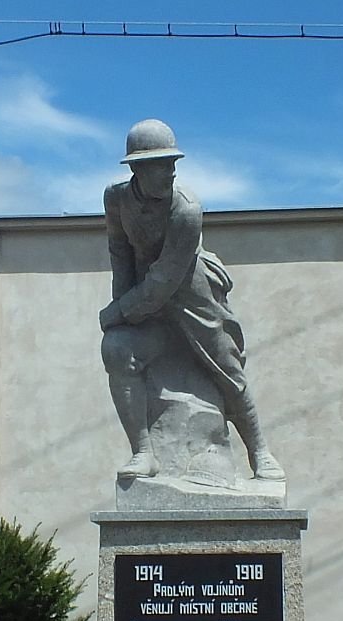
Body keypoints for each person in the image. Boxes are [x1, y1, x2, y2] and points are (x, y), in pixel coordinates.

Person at [100, 119, 285, 482]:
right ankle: (143, 453)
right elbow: (119, 252)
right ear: (137, 168)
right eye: (161, 164)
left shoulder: (186, 208)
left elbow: (166, 278)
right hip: (145, 297)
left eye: (173, 163)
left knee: (227, 367)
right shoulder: (115, 197)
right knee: (117, 349)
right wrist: (120, 312)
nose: (170, 172)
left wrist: (120, 310)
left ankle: (260, 452)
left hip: (190, 293)